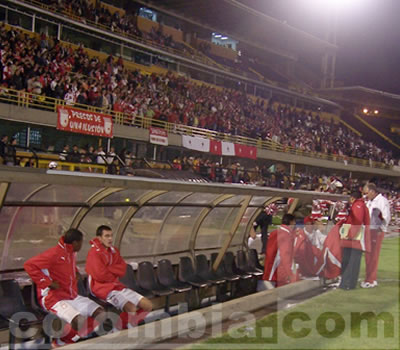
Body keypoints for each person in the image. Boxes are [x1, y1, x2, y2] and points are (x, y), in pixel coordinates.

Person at [24, 229, 107, 346]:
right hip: (53, 298)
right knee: (79, 321)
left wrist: (76, 271)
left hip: (71, 295)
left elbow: (65, 266)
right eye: (81, 242)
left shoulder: (71, 252)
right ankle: (61, 342)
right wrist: (48, 283)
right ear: (75, 243)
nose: (82, 245)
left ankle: (64, 340)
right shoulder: (54, 253)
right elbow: (29, 265)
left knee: (101, 314)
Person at [86, 225, 152, 329]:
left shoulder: (114, 251)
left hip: (117, 285)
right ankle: (125, 328)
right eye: (107, 236)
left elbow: (122, 269)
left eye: (111, 236)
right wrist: (113, 270)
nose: (110, 239)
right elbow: (100, 275)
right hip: (101, 288)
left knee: (147, 305)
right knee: (131, 308)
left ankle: (122, 326)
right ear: (99, 238)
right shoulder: (94, 253)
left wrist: (108, 268)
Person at [361, 183, 391, 288]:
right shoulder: (370, 202)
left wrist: (380, 229)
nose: (365, 195)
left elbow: (385, 216)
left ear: (372, 191)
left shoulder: (382, 201)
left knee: (373, 255)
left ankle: (372, 279)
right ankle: (368, 278)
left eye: (366, 193)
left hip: (376, 230)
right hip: (369, 230)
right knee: (368, 255)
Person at [339, 191, 370, 290]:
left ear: (352, 198)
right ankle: (349, 283)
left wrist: (350, 235)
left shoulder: (358, 205)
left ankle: (347, 284)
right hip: (356, 238)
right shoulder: (361, 205)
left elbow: (357, 221)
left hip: (355, 239)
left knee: (351, 261)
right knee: (352, 261)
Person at [263, 213, 297, 287]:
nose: (295, 224)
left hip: (271, 266)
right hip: (277, 269)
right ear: (291, 222)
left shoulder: (276, 232)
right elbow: (285, 255)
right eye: (294, 222)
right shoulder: (286, 236)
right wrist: (290, 273)